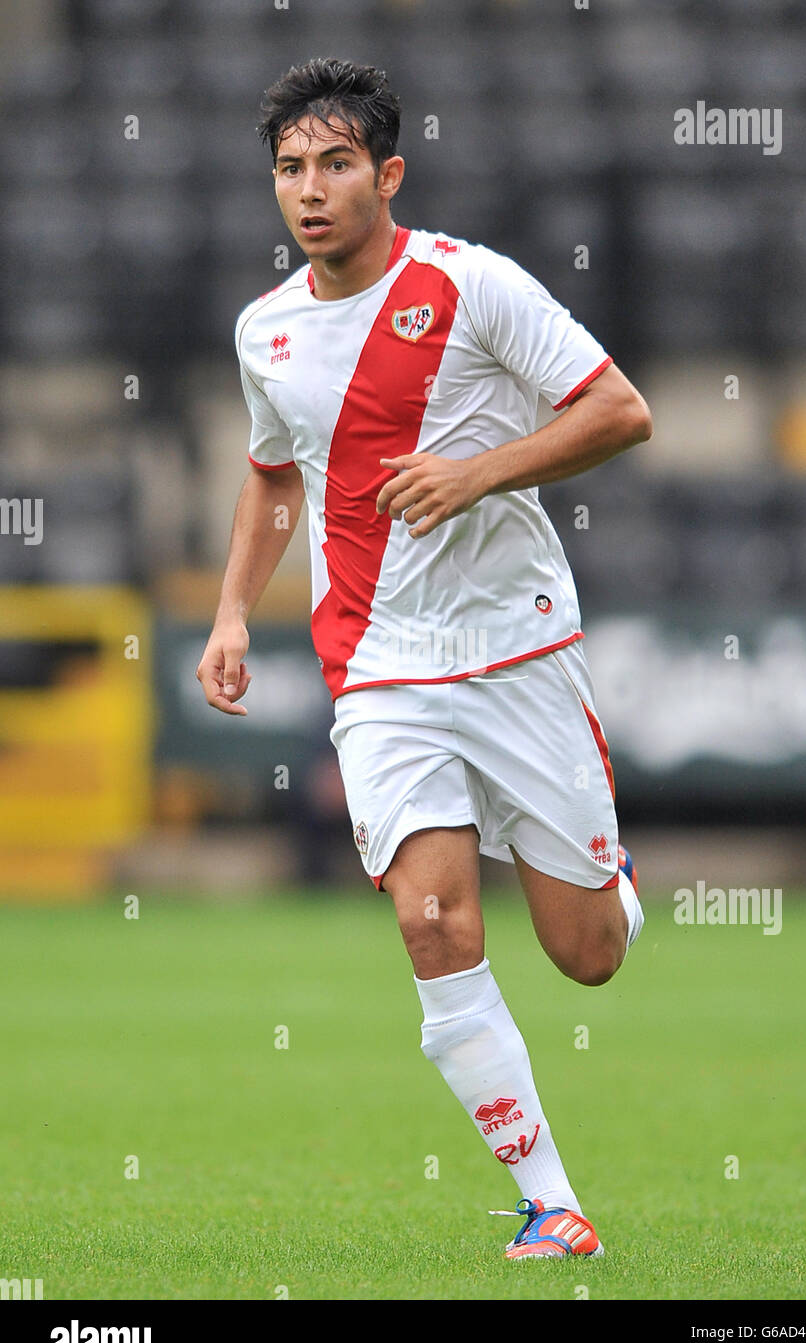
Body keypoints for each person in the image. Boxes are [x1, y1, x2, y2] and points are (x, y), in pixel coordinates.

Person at [197, 56, 652, 1261]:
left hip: (514, 647)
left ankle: (605, 878)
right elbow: (269, 473)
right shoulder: (266, 331)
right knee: (434, 921)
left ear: (386, 173)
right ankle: (551, 1201)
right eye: (290, 168)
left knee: (585, 955)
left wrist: (475, 469)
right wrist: (234, 611)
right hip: (378, 659)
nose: (310, 188)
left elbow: (619, 410)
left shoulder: (469, 285)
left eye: (335, 163)